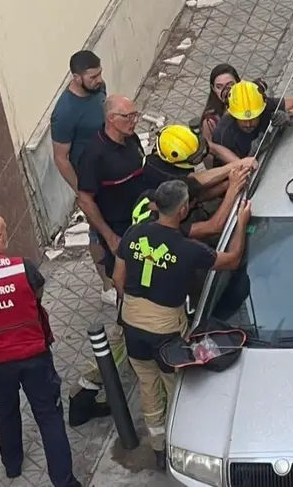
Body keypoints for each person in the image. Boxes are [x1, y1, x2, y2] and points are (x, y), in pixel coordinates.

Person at [113, 180, 252, 471]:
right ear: (184, 209)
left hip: (132, 325)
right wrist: (241, 223)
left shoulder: (134, 233)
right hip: (165, 332)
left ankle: (159, 449)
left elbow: (118, 280)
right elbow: (234, 259)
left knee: (148, 388)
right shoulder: (189, 249)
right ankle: (183, 446)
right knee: (176, 389)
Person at [0, 213, 82, 487]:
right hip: (33, 355)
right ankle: (64, 482)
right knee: (49, 416)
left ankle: (12, 466)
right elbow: (37, 295)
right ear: (0, 236)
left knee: (4, 409)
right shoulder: (22, 268)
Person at [70, 94, 154, 425]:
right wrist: (108, 236)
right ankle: (87, 388)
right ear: (111, 119)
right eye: (128, 115)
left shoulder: (130, 140)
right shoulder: (94, 155)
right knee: (125, 321)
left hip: (141, 230)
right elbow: (85, 200)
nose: (135, 120)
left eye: (136, 113)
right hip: (119, 240)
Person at [50, 50, 116, 307]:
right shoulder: (64, 113)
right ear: (77, 78)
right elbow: (60, 157)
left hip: (113, 166)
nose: (99, 80)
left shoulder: (97, 89)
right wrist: (82, 191)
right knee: (98, 232)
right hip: (91, 181)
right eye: (93, 76)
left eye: (100, 74)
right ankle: (107, 285)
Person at [210, 80, 293, 166]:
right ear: (232, 114)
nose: (248, 124)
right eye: (242, 119)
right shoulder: (223, 134)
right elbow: (232, 174)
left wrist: (290, 116)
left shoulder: (264, 105)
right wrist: (253, 154)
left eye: (253, 117)